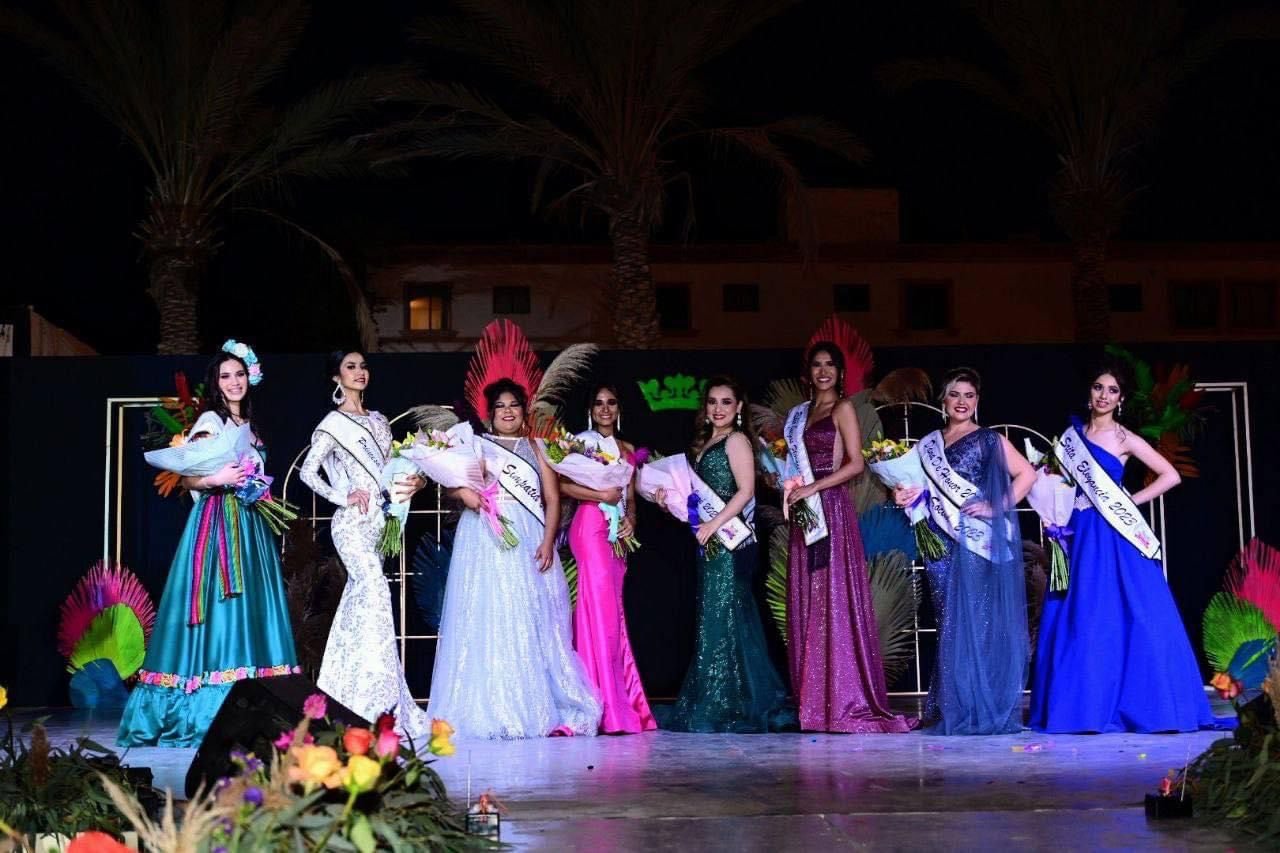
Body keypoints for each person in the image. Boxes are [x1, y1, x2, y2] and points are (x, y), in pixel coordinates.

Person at [119, 341, 299, 747]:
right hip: (219, 522)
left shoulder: (251, 425)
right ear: (216, 383)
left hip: (250, 524)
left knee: (254, 608)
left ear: (250, 378)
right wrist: (215, 479)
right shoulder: (210, 421)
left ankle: (261, 701)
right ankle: (212, 706)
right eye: (225, 376)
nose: (234, 382)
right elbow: (187, 476)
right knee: (220, 605)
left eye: (239, 374)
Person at [1030, 364, 1217, 732]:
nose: (1104, 395)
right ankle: (1081, 706)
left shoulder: (1124, 438)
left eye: (1112, 390)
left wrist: (1132, 500)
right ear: (1089, 393)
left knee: (1126, 612)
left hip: (1114, 532)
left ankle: (1140, 703)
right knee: (1079, 613)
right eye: (1098, 387)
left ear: (1121, 399)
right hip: (1077, 532)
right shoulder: (1070, 438)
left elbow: (1171, 475)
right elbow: (1056, 486)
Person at [427, 379, 602, 738]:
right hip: (483, 534)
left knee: (529, 615)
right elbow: (452, 483)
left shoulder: (538, 447)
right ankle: (488, 704)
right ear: (490, 414)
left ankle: (532, 703)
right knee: (487, 614)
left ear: (524, 411)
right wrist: (464, 494)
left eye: (514, 405)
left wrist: (549, 541)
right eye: (501, 406)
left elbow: (552, 499)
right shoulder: (476, 445)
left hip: (528, 533)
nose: (508, 412)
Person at [894, 367, 1034, 735]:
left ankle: (978, 704)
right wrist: (901, 493)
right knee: (949, 622)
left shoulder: (989, 439)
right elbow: (914, 485)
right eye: (955, 394)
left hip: (976, 541)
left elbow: (1027, 474)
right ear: (943, 400)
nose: (961, 402)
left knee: (976, 620)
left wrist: (996, 505)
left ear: (977, 401)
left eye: (969, 395)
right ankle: (950, 704)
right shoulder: (928, 444)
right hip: (940, 541)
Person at [784, 342, 915, 733]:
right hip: (805, 512)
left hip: (831, 508)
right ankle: (814, 702)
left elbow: (856, 463)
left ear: (840, 373)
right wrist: (788, 483)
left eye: (831, 365)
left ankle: (844, 697)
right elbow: (792, 465)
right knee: (810, 595)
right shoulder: (799, 415)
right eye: (817, 365)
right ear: (808, 372)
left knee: (833, 594)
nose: (824, 371)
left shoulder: (842, 409)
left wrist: (815, 487)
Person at [299, 350, 430, 741]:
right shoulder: (333, 424)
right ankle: (376, 700)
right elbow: (308, 472)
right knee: (375, 592)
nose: (359, 373)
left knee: (361, 606)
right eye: (350, 367)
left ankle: (344, 692)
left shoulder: (379, 421)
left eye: (363, 366)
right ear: (336, 378)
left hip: (379, 523)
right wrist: (342, 495)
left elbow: (391, 471)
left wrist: (417, 481)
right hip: (352, 525)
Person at [658, 377, 795, 732]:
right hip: (711, 542)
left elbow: (746, 491)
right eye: (713, 402)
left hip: (731, 541)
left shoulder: (736, 440)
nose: (718, 409)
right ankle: (723, 695)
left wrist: (713, 524)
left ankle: (733, 700)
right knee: (719, 614)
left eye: (726, 402)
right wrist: (670, 502)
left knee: (728, 613)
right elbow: (695, 498)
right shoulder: (706, 443)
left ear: (739, 408)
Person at [561, 384, 657, 734]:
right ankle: (602, 704)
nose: (605, 409)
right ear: (590, 410)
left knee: (613, 613)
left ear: (619, 409)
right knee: (599, 612)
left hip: (618, 534)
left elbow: (629, 497)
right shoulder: (581, 444)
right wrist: (599, 494)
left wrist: (630, 519)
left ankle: (621, 698)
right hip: (590, 526)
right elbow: (563, 486)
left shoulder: (627, 449)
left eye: (611, 403)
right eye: (598, 403)